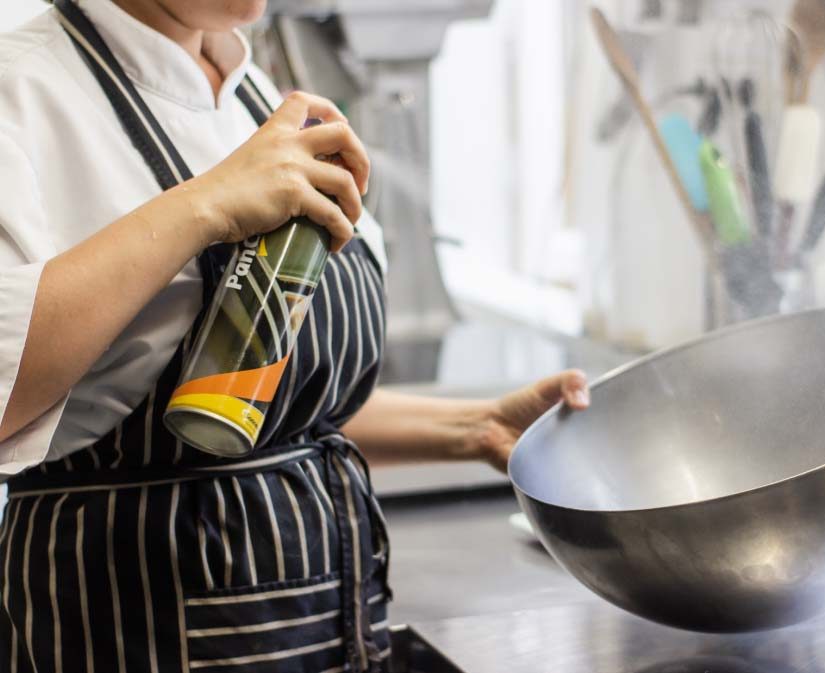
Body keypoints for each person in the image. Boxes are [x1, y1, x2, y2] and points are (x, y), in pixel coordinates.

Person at [0, 1, 591, 671]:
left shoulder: (251, 95)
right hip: (127, 625)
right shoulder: (22, 91)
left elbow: (249, 396)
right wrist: (206, 204)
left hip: (322, 628)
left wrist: (473, 428)